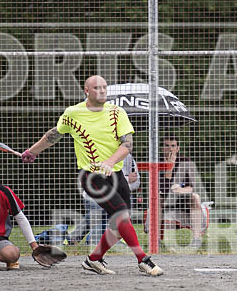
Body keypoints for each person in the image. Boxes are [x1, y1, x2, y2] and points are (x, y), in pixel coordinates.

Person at [21, 75, 163, 276]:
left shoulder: (117, 112)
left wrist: (109, 162)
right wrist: (32, 151)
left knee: (119, 224)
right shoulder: (73, 113)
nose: (102, 91)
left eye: (104, 87)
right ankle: (143, 260)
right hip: (92, 177)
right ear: (87, 91)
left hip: (116, 175)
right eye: (97, 88)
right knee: (121, 216)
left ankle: (94, 259)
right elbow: (54, 134)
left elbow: (127, 144)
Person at [68, 152, 140, 245]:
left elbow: (136, 183)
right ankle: (82, 238)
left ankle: (74, 237)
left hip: (117, 197)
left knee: (119, 211)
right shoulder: (98, 153)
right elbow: (99, 182)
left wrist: (124, 182)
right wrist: (127, 179)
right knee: (96, 217)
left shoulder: (128, 158)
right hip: (96, 195)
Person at [159, 136, 207, 249]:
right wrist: (169, 168)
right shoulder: (157, 161)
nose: (170, 149)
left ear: (178, 148)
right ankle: (156, 240)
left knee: (195, 197)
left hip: (183, 199)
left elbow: (191, 187)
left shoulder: (185, 161)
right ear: (162, 148)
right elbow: (162, 189)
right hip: (165, 200)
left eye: (173, 146)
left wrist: (179, 190)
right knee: (157, 198)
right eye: (166, 146)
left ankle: (196, 239)